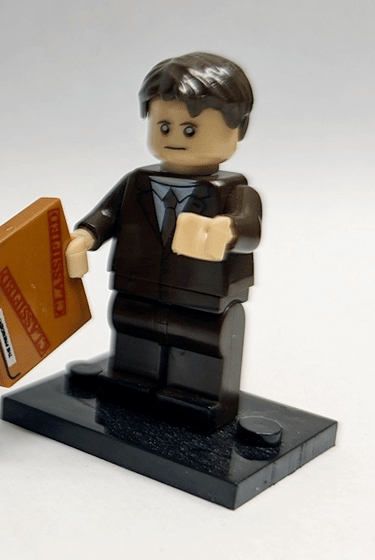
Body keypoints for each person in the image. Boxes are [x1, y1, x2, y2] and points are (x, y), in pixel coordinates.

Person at [65, 52, 261, 432]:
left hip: (202, 296)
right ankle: (130, 383)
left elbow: (249, 227)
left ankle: (196, 397)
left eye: (190, 129)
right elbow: (107, 215)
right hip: (137, 284)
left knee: (203, 342)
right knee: (133, 330)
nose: (174, 137)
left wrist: (225, 230)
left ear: (238, 129)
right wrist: (85, 236)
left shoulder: (232, 191)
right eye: (164, 125)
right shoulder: (137, 181)